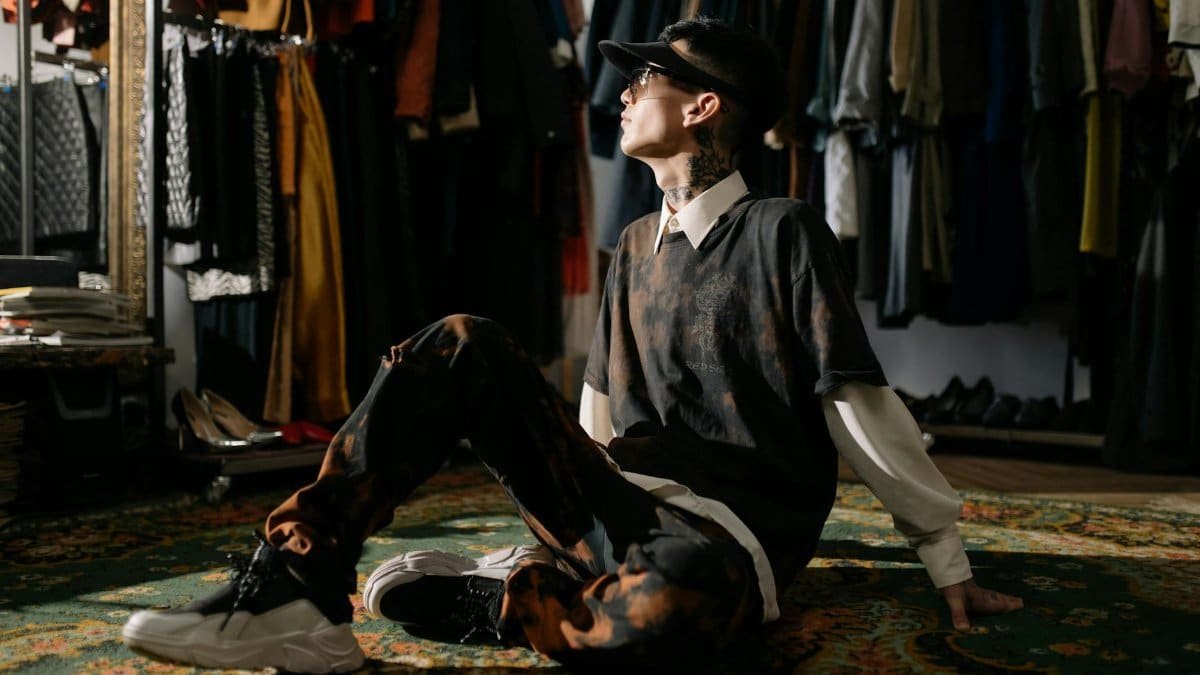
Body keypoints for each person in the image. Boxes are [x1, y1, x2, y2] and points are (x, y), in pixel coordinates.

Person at [123, 17, 1023, 673]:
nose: (625, 92)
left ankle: (511, 592)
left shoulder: (784, 230)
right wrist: (564, 517)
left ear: (704, 105)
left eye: (649, 79)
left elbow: (853, 400)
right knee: (464, 340)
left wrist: (945, 556)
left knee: (676, 619)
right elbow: (594, 409)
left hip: (724, 535)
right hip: (613, 501)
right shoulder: (632, 243)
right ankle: (295, 587)